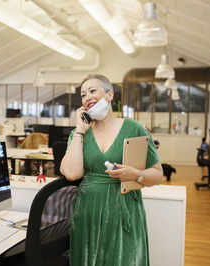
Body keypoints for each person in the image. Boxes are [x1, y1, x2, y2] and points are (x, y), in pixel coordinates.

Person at [60, 74, 163, 266]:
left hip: (123, 210)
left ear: (109, 95)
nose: (87, 97)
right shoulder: (79, 133)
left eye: (92, 91)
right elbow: (72, 173)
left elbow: (157, 174)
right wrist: (80, 130)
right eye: (83, 94)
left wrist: (137, 175)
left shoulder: (135, 128)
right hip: (88, 211)